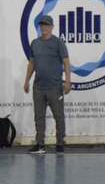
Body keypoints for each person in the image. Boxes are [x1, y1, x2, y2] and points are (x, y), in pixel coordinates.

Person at [23, 15, 72, 154]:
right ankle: (40, 144)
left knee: (58, 116)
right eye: (42, 25)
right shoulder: (35, 43)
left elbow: (66, 62)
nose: (44, 27)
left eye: (47, 25)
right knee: (39, 117)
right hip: (38, 87)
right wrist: (26, 80)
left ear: (52, 27)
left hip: (55, 87)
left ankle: (60, 144)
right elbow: (32, 63)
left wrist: (68, 81)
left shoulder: (58, 43)